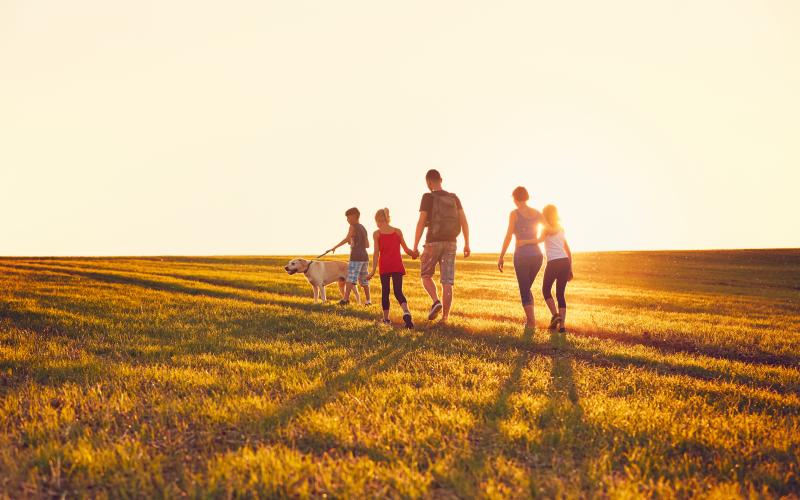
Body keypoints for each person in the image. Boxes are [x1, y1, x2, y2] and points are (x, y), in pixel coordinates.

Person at [412, 169, 470, 323]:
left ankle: (436, 301)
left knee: (425, 275)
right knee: (447, 282)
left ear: (429, 182)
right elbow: (464, 221)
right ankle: (444, 318)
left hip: (433, 241)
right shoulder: (453, 197)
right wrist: (467, 243)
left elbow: (421, 221)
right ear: (441, 179)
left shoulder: (428, 197)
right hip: (451, 242)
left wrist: (415, 245)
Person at [497, 186, 546, 328]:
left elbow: (508, 235)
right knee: (527, 288)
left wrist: (501, 256)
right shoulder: (537, 213)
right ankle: (531, 320)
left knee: (524, 290)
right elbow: (548, 229)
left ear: (516, 199)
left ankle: (531, 323)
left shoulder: (515, 214)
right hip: (537, 256)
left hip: (522, 257)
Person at [366, 208, 415, 328]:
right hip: (397, 265)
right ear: (388, 219)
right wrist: (414, 254)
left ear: (378, 220)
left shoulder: (377, 233)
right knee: (398, 292)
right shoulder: (397, 231)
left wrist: (372, 271)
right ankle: (406, 312)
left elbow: (376, 253)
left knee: (385, 292)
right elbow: (407, 250)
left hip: (385, 266)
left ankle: (386, 319)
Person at [538, 204, 573, 333]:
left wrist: (526, 242)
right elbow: (568, 251)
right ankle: (562, 327)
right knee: (560, 294)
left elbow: (539, 240)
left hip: (553, 262)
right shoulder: (561, 228)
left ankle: (555, 315)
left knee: (545, 290)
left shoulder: (545, 229)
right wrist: (570, 268)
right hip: (564, 262)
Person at [327, 207, 371, 305]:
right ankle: (368, 301)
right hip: (364, 257)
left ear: (355, 216)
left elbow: (347, 238)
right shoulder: (363, 228)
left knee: (350, 279)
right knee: (364, 280)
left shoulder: (353, 226)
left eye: (348, 217)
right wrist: (354, 241)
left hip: (355, 257)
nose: (347, 220)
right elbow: (367, 245)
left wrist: (335, 247)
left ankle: (345, 300)